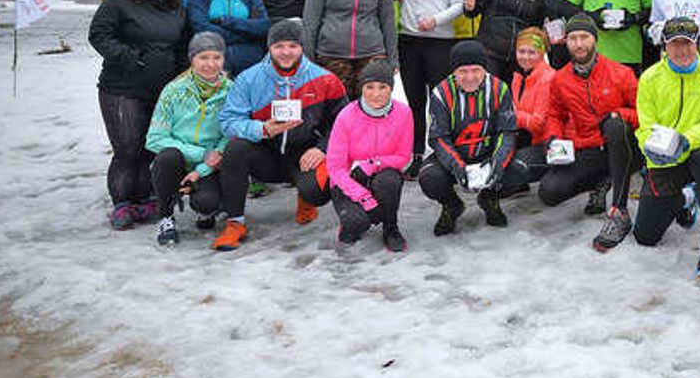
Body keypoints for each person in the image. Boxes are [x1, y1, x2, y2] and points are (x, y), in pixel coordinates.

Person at [217, 20, 348, 250]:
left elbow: (344, 123)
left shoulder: (325, 79)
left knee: (318, 191)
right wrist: (262, 129)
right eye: (279, 46)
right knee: (235, 149)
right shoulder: (249, 78)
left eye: (292, 46)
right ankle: (235, 222)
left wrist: (322, 148)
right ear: (269, 47)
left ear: (302, 47)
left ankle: (306, 198)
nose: (286, 52)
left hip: (304, 157)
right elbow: (228, 122)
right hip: (265, 154)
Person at [88, 0, 187, 230]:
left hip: (162, 89)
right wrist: (131, 57)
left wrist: (178, 72)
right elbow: (99, 35)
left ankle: (145, 198)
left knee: (150, 146)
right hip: (122, 88)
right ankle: (122, 202)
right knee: (128, 147)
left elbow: (182, 43)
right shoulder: (119, 2)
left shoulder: (176, 6)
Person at [632, 17, 700, 278]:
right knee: (645, 236)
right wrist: (649, 148)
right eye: (674, 44)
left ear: (697, 43)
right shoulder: (650, 78)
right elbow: (644, 126)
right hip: (666, 157)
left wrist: (684, 140)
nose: (682, 51)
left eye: (687, 43)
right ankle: (686, 198)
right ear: (664, 47)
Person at [539, 15, 640, 250]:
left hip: (625, 147)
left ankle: (618, 212)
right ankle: (602, 181)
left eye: (584, 37)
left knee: (616, 126)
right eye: (573, 38)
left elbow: (644, 113)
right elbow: (555, 115)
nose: (579, 44)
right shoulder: (561, 79)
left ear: (595, 40)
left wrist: (619, 115)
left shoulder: (620, 73)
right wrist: (553, 138)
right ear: (566, 42)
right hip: (589, 147)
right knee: (550, 192)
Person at [418, 41, 528, 235]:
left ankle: (490, 198)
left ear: (484, 69)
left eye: (476, 70)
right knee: (429, 177)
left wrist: (498, 162)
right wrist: (456, 165)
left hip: (487, 153)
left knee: (519, 169)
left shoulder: (499, 89)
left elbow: (507, 131)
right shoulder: (441, 93)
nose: (469, 77)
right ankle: (452, 205)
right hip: (456, 154)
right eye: (463, 71)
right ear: (453, 72)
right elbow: (438, 137)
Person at [145, 32, 232, 246]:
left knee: (206, 202)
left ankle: (207, 209)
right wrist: (199, 153)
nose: (210, 64)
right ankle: (166, 217)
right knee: (166, 158)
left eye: (216, 57)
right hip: (179, 159)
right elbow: (154, 138)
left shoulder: (231, 90)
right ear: (191, 59)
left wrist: (203, 166)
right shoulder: (174, 90)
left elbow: (229, 135)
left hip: (210, 163)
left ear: (224, 59)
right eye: (203, 58)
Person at [398, 0, 466, 179]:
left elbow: (458, 3)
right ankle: (416, 155)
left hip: (440, 41)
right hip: (409, 41)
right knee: (415, 102)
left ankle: (444, 152)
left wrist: (435, 20)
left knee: (441, 102)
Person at [326, 59, 411, 252]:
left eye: (383, 87)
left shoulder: (403, 113)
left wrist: (373, 164)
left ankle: (391, 227)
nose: (376, 94)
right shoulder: (346, 116)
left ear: (391, 88)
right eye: (369, 87)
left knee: (389, 179)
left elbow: (403, 156)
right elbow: (335, 168)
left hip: (380, 175)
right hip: (348, 181)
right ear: (361, 88)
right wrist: (364, 198)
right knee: (357, 223)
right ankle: (352, 222)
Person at [509, 27, 557, 189]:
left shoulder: (548, 78)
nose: (525, 57)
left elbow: (538, 122)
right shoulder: (518, 76)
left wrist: (510, 114)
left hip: (547, 143)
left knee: (511, 167)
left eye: (532, 52)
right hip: (526, 136)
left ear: (542, 53)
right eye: (521, 51)